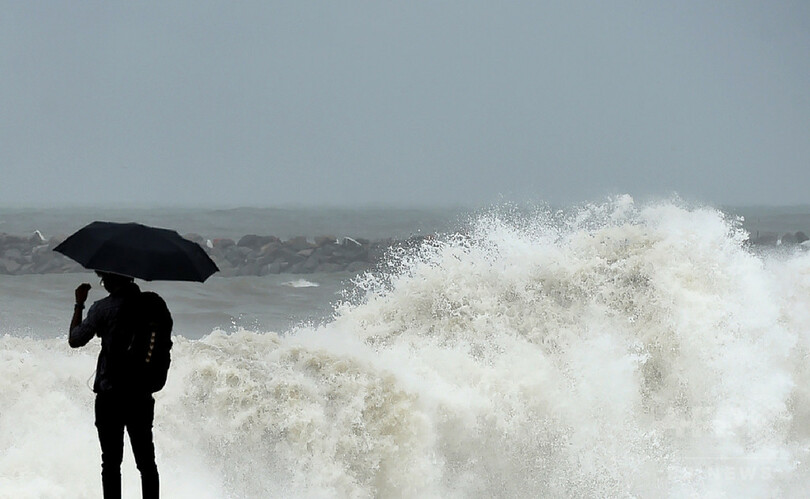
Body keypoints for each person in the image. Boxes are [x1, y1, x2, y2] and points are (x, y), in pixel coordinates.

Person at [69, 271, 172, 499]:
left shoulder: (102, 308)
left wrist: (79, 304)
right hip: (141, 393)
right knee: (146, 462)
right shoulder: (154, 303)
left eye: (103, 278)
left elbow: (75, 339)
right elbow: (165, 337)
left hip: (110, 395)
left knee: (111, 462)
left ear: (109, 280)